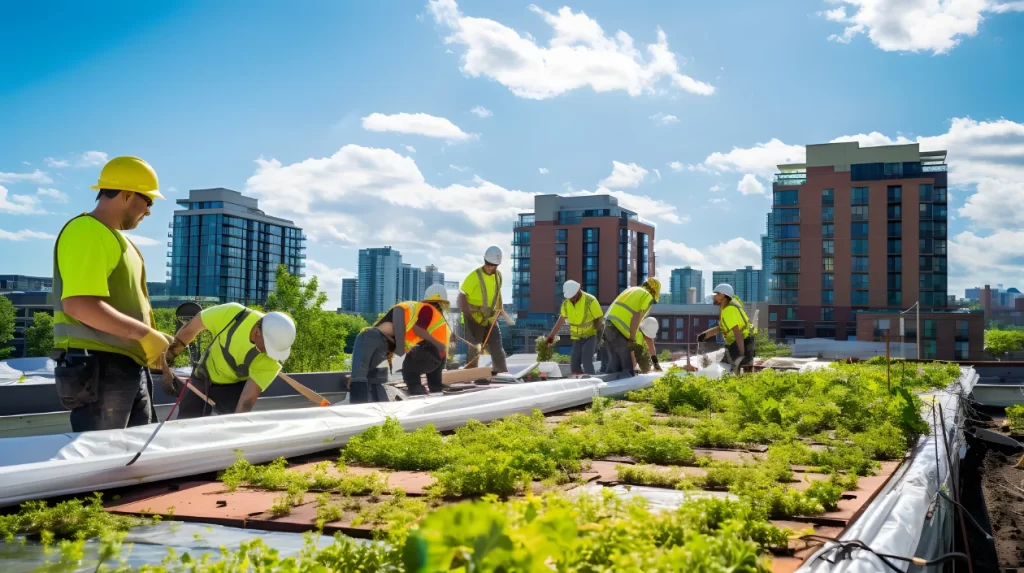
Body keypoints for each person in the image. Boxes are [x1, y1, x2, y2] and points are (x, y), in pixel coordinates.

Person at [51, 156, 174, 432]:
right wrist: (145, 335)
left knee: (134, 457)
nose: (149, 211)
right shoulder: (87, 231)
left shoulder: (118, 240)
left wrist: (149, 340)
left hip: (123, 366)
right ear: (128, 194)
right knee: (103, 458)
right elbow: (80, 304)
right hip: (98, 367)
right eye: (148, 201)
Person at [163, 302, 296, 417]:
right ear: (258, 332)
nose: (269, 353)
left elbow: (247, 400)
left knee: (224, 430)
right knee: (187, 422)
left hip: (234, 388)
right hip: (203, 377)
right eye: (268, 347)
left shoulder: (272, 358)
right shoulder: (232, 314)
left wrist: (235, 427)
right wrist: (166, 363)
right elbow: (190, 330)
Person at [349, 285, 451, 403]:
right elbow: (403, 321)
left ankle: (366, 407)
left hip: (383, 342)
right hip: (374, 338)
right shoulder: (426, 309)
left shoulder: (423, 313)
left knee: (368, 376)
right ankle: (362, 406)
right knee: (364, 376)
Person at [458, 246, 515, 375]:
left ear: (497, 265)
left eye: (493, 265)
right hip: (473, 318)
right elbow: (462, 296)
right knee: (474, 348)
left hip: (489, 318)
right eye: (488, 264)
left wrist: (500, 309)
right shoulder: (474, 277)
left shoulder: (498, 276)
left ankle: (501, 373)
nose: (489, 267)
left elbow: (498, 293)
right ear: (484, 260)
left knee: (496, 347)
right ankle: (471, 374)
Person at [602, 278, 661, 376]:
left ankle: (608, 384)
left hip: (608, 324)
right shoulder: (646, 295)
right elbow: (636, 315)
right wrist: (632, 339)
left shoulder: (632, 290)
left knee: (615, 363)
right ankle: (625, 389)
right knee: (627, 367)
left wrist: (655, 364)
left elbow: (648, 343)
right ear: (653, 292)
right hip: (620, 329)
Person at [545, 280, 604, 375]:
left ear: (578, 291)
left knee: (586, 362)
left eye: (572, 296)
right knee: (574, 365)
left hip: (590, 336)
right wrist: (551, 337)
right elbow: (561, 320)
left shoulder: (591, 301)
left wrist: (598, 339)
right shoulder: (566, 304)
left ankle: (593, 382)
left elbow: (600, 319)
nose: (571, 299)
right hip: (577, 338)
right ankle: (580, 382)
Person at [697, 284, 756, 373]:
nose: (714, 297)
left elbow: (737, 333)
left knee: (728, 369)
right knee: (735, 370)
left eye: (716, 295)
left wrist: (741, 354)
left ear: (722, 295)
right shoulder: (730, 308)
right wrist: (705, 335)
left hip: (741, 343)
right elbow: (722, 328)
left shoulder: (729, 310)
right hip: (745, 342)